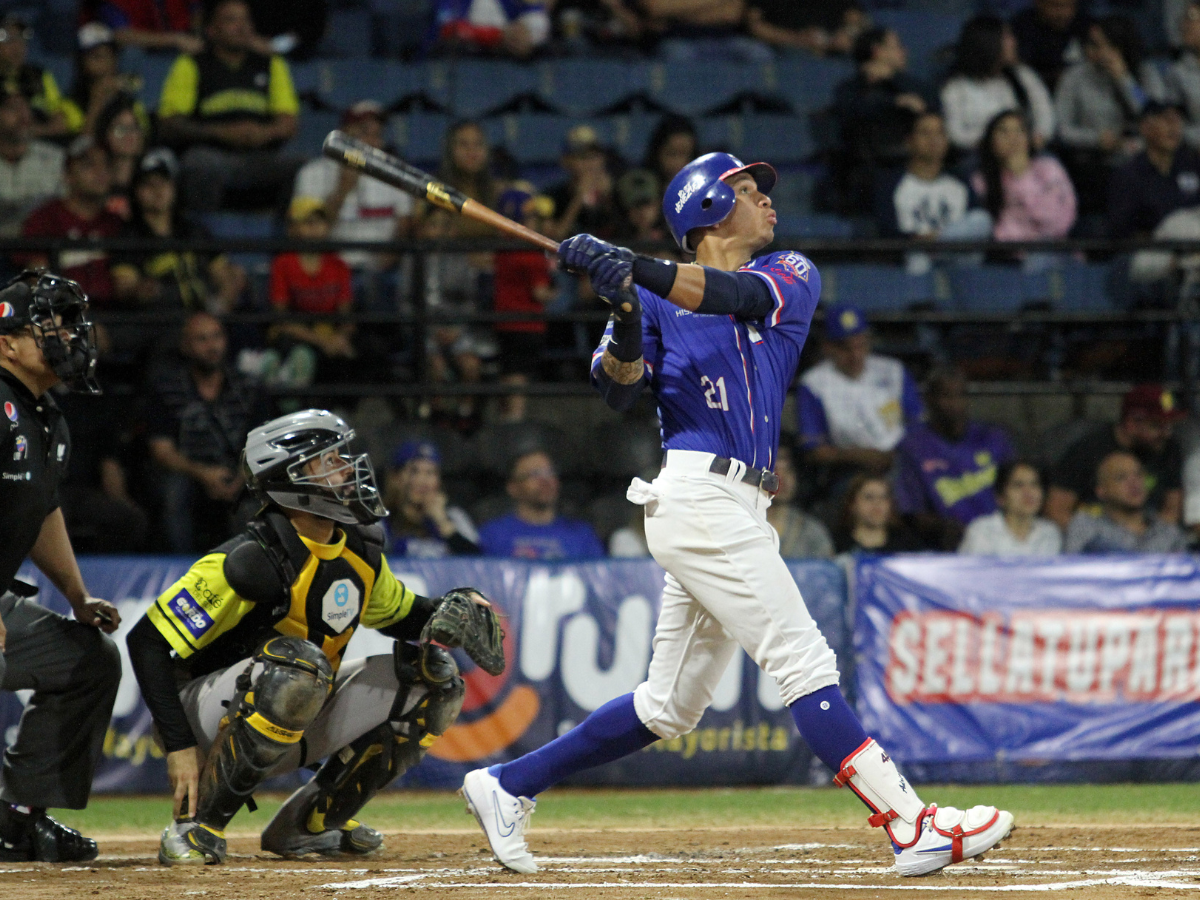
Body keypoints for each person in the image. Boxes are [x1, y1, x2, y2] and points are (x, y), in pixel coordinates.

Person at [461, 151, 1012, 876]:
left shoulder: (789, 274)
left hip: (742, 504)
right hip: (695, 496)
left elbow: (730, 298)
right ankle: (911, 824)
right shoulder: (653, 295)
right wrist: (625, 310)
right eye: (747, 192)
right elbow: (620, 389)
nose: (766, 203)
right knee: (802, 658)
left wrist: (634, 268)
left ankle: (505, 783)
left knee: (669, 706)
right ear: (706, 210)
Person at [126, 408, 498, 865]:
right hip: (207, 720)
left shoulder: (360, 547)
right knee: (298, 665)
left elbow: (401, 614)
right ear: (291, 478)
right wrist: (179, 747)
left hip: (297, 702)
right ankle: (197, 824)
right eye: (331, 461)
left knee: (434, 678)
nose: (348, 470)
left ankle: (310, 824)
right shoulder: (248, 560)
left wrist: (449, 611)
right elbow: (145, 641)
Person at [0, 270, 121, 862]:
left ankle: (17, 815)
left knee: (88, 660)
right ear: (7, 343)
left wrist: (76, 596)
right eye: (52, 323)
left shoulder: (47, 418)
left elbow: (40, 510)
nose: (70, 336)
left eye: (73, 323)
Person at [145, 312, 274, 553]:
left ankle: (250, 571)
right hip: (188, 471)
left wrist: (240, 477)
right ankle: (180, 572)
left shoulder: (249, 388)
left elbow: (263, 444)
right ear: (185, 346)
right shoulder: (166, 389)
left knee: (262, 499)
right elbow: (161, 451)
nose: (211, 346)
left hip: (238, 473)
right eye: (201, 339)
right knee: (174, 493)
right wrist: (203, 473)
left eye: (216, 337)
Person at [157, 0, 301, 214]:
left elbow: (289, 122)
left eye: (245, 20)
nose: (241, 27)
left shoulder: (270, 63)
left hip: (261, 155)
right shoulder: (191, 64)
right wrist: (220, 133)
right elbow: (169, 123)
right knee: (199, 164)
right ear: (212, 30)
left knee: (307, 169)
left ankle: (287, 239)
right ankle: (201, 238)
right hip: (212, 153)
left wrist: (263, 132)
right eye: (231, 20)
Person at [892, 368, 1016, 549]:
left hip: (1001, 541)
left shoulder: (994, 438)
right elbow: (911, 513)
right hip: (945, 545)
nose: (955, 404)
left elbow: (1019, 490)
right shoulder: (913, 447)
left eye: (960, 395)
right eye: (946, 396)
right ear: (929, 400)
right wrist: (947, 528)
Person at [111, 148, 247, 313]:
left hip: (205, 319)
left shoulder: (195, 231)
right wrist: (140, 290)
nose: (158, 190)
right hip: (159, 324)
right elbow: (124, 287)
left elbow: (224, 276)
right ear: (136, 192)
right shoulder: (128, 237)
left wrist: (221, 303)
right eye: (148, 184)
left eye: (164, 182)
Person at [1055, 16, 1165, 213]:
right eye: (1089, 44)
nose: (1091, 51)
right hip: (1095, 162)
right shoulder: (1074, 77)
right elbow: (1062, 129)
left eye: (1099, 45)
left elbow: (1154, 116)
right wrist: (1096, 139)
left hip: (1143, 159)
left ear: (1119, 46)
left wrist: (1124, 79)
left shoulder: (1145, 72)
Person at [798, 304, 923, 477]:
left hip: (901, 462)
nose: (855, 355)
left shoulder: (893, 370)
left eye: (861, 344)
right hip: (847, 469)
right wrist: (861, 456)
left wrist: (898, 455)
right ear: (827, 347)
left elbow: (918, 424)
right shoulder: (814, 383)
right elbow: (814, 449)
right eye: (845, 347)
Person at [292, 100, 415, 274]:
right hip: (326, 269)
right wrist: (343, 189)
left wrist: (386, 261)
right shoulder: (311, 173)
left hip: (383, 270)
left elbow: (404, 227)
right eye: (363, 133)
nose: (371, 142)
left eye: (377, 135)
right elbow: (306, 235)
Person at [1047, 383, 1186, 529]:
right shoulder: (1087, 450)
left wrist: (1145, 540)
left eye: (1169, 426)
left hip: (1148, 540)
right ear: (1131, 423)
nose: (1166, 434)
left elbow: (1171, 511)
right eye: (1157, 426)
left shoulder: (1169, 449)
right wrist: (1100, 540)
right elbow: (1056, 512)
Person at [832, 27, 935, 213]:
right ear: (877, 51)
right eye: (897, 46)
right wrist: (894, 102)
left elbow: (932, 107)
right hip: (868, 171)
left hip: (912, 166)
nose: (905, 52)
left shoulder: (910, 85)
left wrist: (893, 78)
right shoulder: (850, 89)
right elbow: (850, 113)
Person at [875, 111, 993, 268]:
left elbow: (975, 225)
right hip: (913, 256)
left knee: (982, 219)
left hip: (956, 256)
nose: (933, 139)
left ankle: (936, 247)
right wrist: (919, 241)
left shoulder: (960, 182)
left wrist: (937, 240)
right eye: (925, 133)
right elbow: (887, 231)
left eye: (939, 133)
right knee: (917, 258)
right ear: (909, 141)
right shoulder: (891, 183)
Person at [21, 136, 125, 308]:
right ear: (67, 175)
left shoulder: (116, 223)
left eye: (106, 165)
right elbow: (35, 279)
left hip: (115, 315)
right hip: (61, 316)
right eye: (88, 165)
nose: (100, 172)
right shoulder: (43, 219)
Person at [265, 197, 356, 387]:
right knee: (297, 351)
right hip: (296, 334)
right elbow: (281, 318)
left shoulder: (338, 265)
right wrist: (322, 341)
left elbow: (346, 315)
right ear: (292, 229)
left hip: (328, 333)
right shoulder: (283, 264)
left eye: (318, 221)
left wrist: (341, 338)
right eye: (307, 222)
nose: (314, 227)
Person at [941, 16, 1055, 155]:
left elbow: (1044, 112)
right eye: (1007, 37)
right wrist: (996, 142)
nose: (1014, 42)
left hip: (1023, 151)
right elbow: (955, 134)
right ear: (988, 42)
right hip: (979, 155)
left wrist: (1038, 136)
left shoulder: (1022, 75)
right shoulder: (955, 87)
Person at [970, 110, 1077, 257]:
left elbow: (1059, 221)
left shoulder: (1049, 168)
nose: (1013, 138)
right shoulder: (981, 180)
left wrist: (1022, 175)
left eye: (1019, 131)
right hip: (1007, 255)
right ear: (990, 142)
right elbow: (992, 228)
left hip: (1050, 249)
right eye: (1003, 131)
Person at [478, 449, 604, 559]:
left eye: (550, 472)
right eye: (534, 474)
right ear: (513, 487)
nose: (545, 480)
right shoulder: (493, 534)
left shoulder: (581, 534)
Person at [1064, 451, 1189, 553]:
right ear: (1101, 491)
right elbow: (1074, 573)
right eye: (1121, 477)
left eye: (1139, 475)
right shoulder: (1086, 527)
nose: (1134, 483)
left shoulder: (1168, 531)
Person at [1107, 102, 1200, 240]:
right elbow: (1120, 230)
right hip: (1151, 249)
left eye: (1177, 120)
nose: (1174, 127)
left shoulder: (1191, 166)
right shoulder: (1130, 174)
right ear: (1145, 128)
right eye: (1167, 120)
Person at [382, 440, 480, 557]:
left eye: (430, 473)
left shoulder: (454, 517)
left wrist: (443, 522)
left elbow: (480, 563)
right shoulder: (380, 520)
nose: (422, 481)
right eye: (414, 471)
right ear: (396, 478)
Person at [959, 460, 1062, 556]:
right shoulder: (982, 531)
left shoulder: (1050, 533)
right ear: (1001, 497)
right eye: (1018, 485)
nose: (1028, 493)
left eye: (1034, 485)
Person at [62, 23, 146, 140]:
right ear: (81, 62)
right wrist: (97, 102)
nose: (105, 59)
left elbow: (141, 142)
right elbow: (79, 147)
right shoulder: (71, 105)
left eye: (109, 54)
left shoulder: (130, 104)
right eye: (95, 55)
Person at [0, 88, 64, 239]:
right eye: (12, 108)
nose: (23, 115)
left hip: (41, 251)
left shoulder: (55, 158)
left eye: (26, 107)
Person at [0, 15, 73, 141]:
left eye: (21, 39)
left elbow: (58, 111)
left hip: (39, 144)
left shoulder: (38, 75)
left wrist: (59, 118)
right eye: (9, 40)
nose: (16, 46)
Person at [546, 124, 623, 242]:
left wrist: (608, 197)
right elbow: (555, 239)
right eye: (582, 157)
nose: (590, 164)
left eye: (594, 157)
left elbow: (630, 233)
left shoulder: (619, 191)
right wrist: (578, 199)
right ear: (566, 161)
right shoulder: (554, 195)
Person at [767, 441, 834, 559]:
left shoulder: (812, 531)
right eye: (775, 470)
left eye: (788, 470)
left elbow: (825, 572)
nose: (782, 478)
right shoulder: (743, 524)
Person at [832, 473, 925, 555]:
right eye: (869, 497)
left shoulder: (908, 545)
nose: (877, 503)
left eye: (883, 497)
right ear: (852, 504)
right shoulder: (835, 544)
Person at [1011, 0, 1092, 93]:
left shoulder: (1085, 24)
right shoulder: (1021, 28)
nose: (1065, 13)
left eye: (1071, 6)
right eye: (1057, 6)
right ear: (1039, 3)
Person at [95, 95, 150, 220]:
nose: (129, 135)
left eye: (135, 128)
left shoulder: (152, 185)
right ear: (105, 134)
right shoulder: (94, 184)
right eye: (121, 129)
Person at [432, 0, 551, 58]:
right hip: (461, 69)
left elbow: (538, 20)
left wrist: (527, 36)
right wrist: (499, 35)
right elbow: (449, 29)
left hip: (509, 71)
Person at [745, 0, 866, 57]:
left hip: (833, 47)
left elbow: (857, 19)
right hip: (786, 48)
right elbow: (755, 25)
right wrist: (796, 39)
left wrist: (847, 34)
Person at [83, 0, 205, 55]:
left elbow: (196, 10)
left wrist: (196, 33)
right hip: (138, 56)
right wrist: (175, 40)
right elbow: (121, 35)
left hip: (183, 51)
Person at [1167, 2, 1200, 149]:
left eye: (1191, 18)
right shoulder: (1177, 72)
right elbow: (1171, 126)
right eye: (1183, 19)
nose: (1184, 25)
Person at [642, 115, 698, 190]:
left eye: (685, 154)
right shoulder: (644, 184)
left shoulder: (701, 188)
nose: (679, 162)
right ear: (658, 153)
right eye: (672, 154)